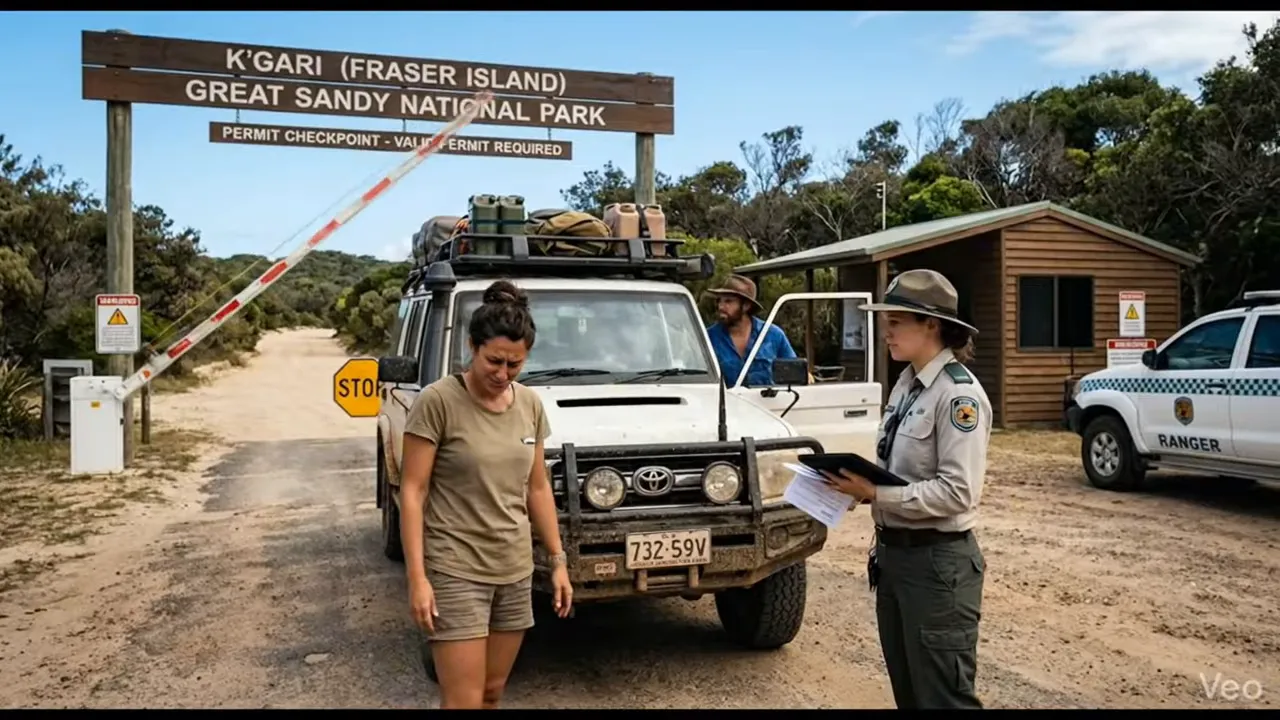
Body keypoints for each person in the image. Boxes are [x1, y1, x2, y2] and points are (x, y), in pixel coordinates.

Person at [818, 268, 991, 710]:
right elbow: (898, 466)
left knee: (944, 699)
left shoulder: (958, 396)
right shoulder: (908, 383)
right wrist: (857, 486)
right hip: (897, 558)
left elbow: (958, 493)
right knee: (911, 695)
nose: (886, 331)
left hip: (937, 566)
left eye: (896, 321)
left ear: (931, 325)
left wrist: (879, 494)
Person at [398, 279, 573, 710]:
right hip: (455, 568)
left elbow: (536, 488)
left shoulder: (530, 405)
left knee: (492, 693)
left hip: (512, 569)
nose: (502, 374)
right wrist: (418, 579)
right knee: (463, 701)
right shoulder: (438, 402)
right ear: (472, 347)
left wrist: (557, 562)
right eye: (494, 361)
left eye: (515, 365)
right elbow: (413, 491)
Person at [704, 274, 798, 387]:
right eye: (719, 301)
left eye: (728, 301)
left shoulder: (773, 335)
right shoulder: (708, 338)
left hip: (766, 403)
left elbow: (794, 374)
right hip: (724, 403)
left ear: (746, 306)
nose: (721, 307)